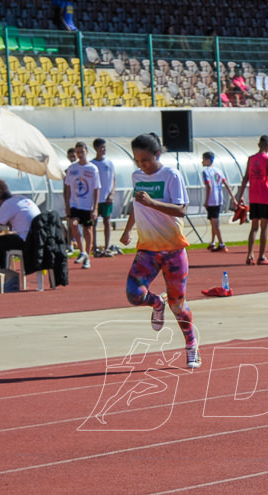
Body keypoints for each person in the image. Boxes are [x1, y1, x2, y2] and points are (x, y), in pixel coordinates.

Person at [119, 133, 201, 369]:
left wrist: (152, 203)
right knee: (133, 294)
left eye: (145, 159)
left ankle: (191, 346)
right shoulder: (137, 176)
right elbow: (137, 204)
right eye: (136, 160)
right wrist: (127, 230)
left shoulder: (171, 175)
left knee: (178, 305)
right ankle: (157, 304)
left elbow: (182, 210)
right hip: (147, 250)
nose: (141, 165)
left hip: (173, 250)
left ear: (157, 154)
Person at [236, 135, 268, 265]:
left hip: (253, 196)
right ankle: (261, 256)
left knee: (254, 227)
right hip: (266, 197)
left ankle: (250, 254)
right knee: (265, 227)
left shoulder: (251, 159)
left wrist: (240, 195)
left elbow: (245, 178)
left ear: (258, 145)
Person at [63, 141, 100, 270]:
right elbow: (67, 187)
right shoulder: (72, 169)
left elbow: (96, 188)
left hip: (87, 205)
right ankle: (82, 251)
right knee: (73, 225)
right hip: (75, 203)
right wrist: (67, 204)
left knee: (87, 230)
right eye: (78, 152)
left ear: (87, 152)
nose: (80, 154)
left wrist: (95, 208)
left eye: (82, 152)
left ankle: (87, 257)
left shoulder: (92, 168)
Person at [201, 151, 236, 252]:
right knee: (213, 221)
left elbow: (209, 186)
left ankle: (221, 243)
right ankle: (212, 242)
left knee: (215, 222)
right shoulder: (219, 171)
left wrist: (206, 201)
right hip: (219, 199)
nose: (202, 161)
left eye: (203, 159)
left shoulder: (206, 172)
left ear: (208, 160)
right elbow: (226, 184)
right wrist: (233, 198)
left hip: (212, 200)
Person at [91, 138, 117, 257]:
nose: (104, 150)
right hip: (96, 200)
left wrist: (112, 193)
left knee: (107, 222)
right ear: (96, 148)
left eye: (105, 147)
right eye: (102, 147)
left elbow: (113, 179)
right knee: (93, 224)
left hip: (107, 199)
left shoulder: (109, 163)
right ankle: (94, 247)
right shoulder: (92, 165)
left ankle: (107, 247)